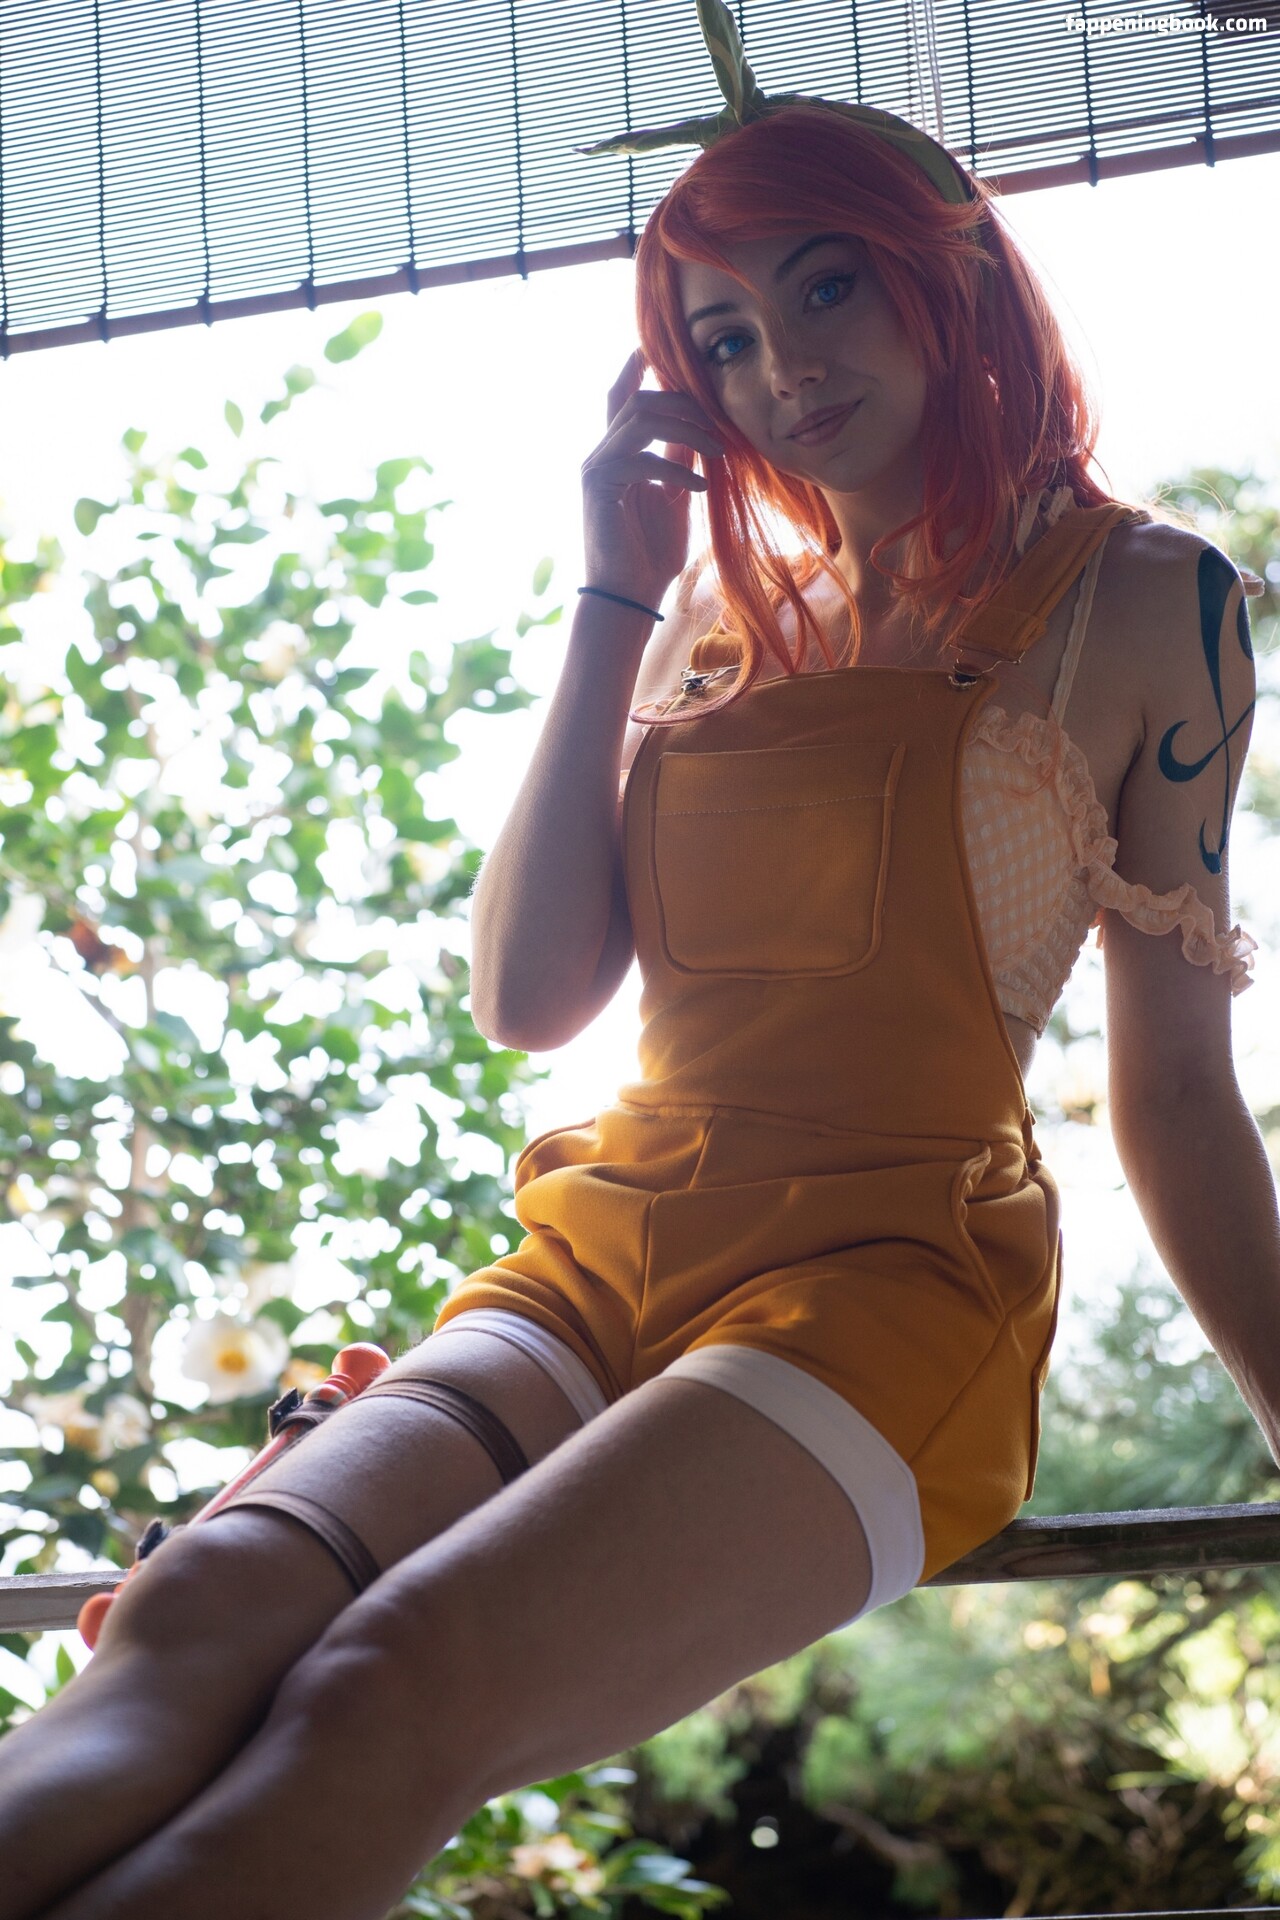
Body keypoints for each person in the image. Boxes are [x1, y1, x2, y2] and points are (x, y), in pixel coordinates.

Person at [0, 36, 1274, 1920]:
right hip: (612, 1239)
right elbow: (531, 998)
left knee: (385, 1685)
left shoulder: (1150, 598)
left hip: (890, 1287)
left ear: (949, 274)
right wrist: (612, 585)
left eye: (824, 289)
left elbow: (1170, 1090)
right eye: (724, 337)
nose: (783, 368)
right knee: (204, 1605)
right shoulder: (706, 613)